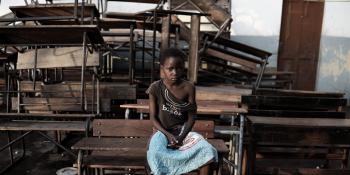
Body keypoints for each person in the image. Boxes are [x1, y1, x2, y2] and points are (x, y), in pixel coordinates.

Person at [146, 48, 217, 175]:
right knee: (155, 153)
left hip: (184, 131)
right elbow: (153, 118)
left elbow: (191, 116)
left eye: (178, 68)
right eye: (170, 68)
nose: (174, 72)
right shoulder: (155, 88)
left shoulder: (188, 87)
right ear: (162, 68)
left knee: (207, 151)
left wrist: (181, 137)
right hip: (162, 132)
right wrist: (168, 135)